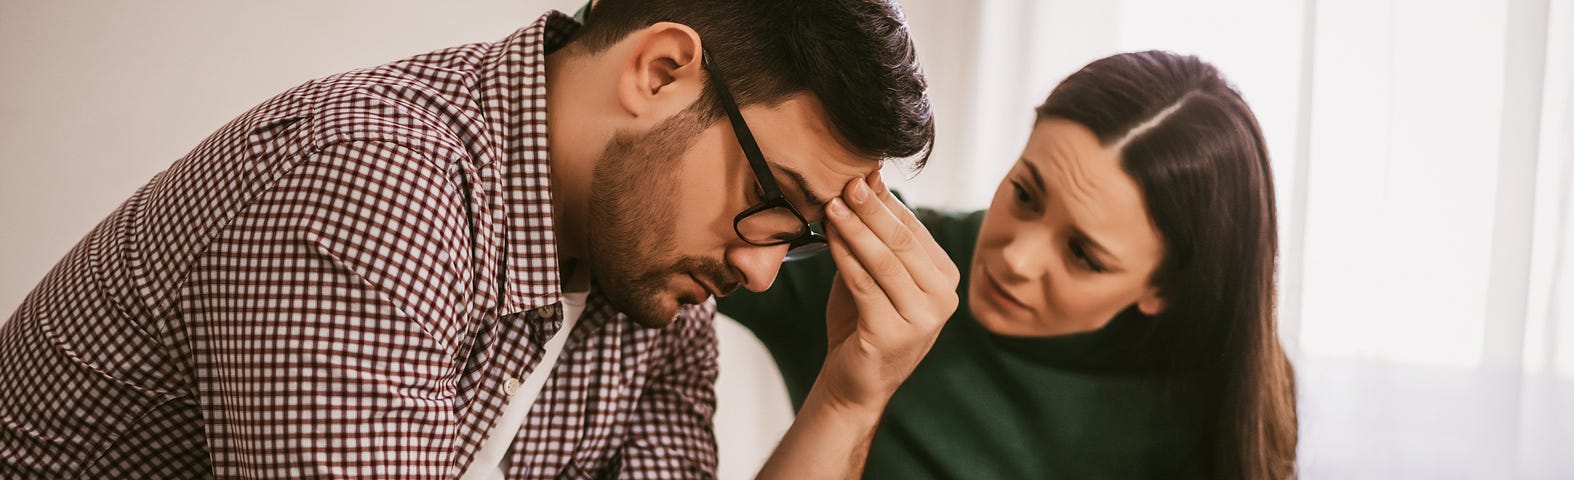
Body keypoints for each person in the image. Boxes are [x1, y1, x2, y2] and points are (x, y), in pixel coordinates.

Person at [0, 1, 959, 478]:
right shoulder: (372, 178)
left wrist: (848, 394)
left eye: (794, 239)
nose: (756, 271)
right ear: (661, 71)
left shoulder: (657, 292)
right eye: (767, 195)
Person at [719, 50, 1299, 479]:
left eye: (1083, 255)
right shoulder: (879, 273)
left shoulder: (1214, 412)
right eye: (1025, 194)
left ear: (1165, 291)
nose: (1015, 259)